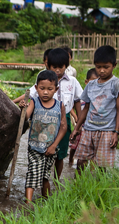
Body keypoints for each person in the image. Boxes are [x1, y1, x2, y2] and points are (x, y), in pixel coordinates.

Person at [23, 48, 83, 180]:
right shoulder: (44, 80)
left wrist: (78, 125)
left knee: (60, 153)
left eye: (60, 67)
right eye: (54, 67)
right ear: (48, 66)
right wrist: (23, 105)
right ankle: (41, 178)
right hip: (42, 118)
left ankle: (56, 180)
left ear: (66, 66)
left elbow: (78, 101)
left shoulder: (72, 82)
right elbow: (32, 96)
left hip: (63, 119)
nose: (57, 70)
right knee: (40, 149)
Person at [71, 45, 119, 172]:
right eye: (98, 67)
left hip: (107, 131)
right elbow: (86, 108)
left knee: (102, 165)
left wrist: (116, 132)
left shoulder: (117, 84)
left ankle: (98, 190)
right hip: (89, 129)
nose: (101, 71)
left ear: (114, 65)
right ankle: (78, 187)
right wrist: (77, 128)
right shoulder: (91, 85)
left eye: (106, 67)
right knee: (81, 161)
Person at [24, 70, 67, 203]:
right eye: (42, 89)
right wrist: (23, 108)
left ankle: (46, 201)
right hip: (35, 147)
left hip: (50, 149)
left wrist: (54, 145)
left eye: (50, 89)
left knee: (45, 177)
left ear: (56, 89)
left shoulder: (60, 106)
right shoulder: (34, 102)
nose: (46, 92)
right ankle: (28, 203)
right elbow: (25, 116)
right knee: (32, 174)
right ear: (36, 88)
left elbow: (63, 127)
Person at [69, 68, 98, 166]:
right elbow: (72, 107)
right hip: (82, 128)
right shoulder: (82, 97)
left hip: (95, 129)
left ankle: (90, 177)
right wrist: (76, 120)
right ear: (86, 82)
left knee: (94, 155)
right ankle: (70, 162)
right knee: (75, 148)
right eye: (93, 81)